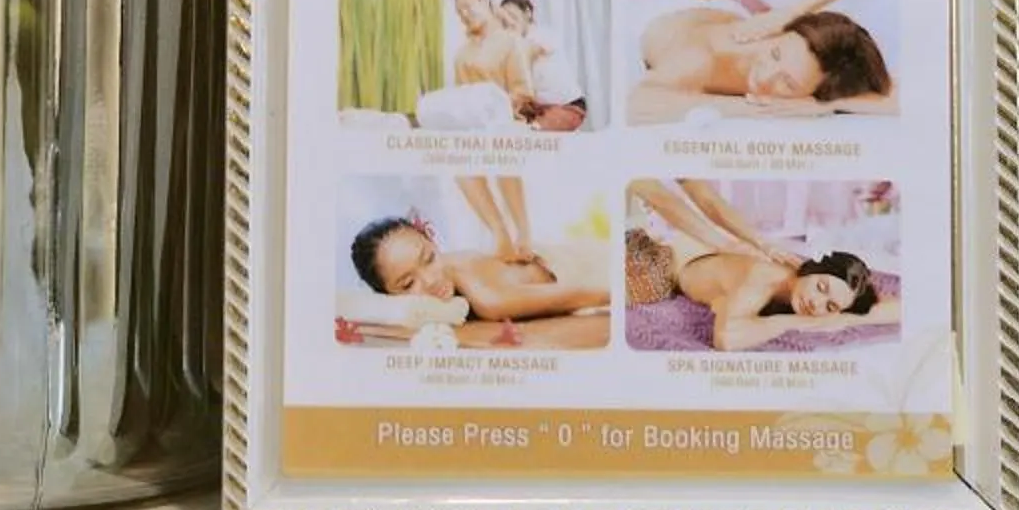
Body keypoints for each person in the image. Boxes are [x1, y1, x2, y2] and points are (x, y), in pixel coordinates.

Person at [626, 181, 897, 351]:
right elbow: (726, 340)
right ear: (810, 269)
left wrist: (844, 317)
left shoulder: (808, 288)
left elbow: (897, 308)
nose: (816, 303)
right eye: (821, 287)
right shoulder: (763, 277)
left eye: (830, 306)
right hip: (660, 261)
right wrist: (795, 322)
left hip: (693, 249)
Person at [633, 0, 894, 119]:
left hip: (729, 8)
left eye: (788, 84)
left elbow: (896, 100)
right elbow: (637, 102)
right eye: (775, 54)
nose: (766, 76)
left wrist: (827, 105)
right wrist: (762, 108)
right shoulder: (703, 59)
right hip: (656, 17)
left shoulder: (800, 61)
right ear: (779, 33)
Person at [351, 186, 609, 322]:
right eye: (408, 283)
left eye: (429, 259)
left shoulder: (488, 300)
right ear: (386, 294)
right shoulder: (447, 285)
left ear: (433, 241)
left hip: (578, 265)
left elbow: (588, 293)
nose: (430, 280)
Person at [495, 0, 588, 131]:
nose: (509, 23)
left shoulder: (543, 36)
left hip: (569, 108)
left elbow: (530, 51)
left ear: (527, 13)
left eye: (512, 16)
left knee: (532, 131)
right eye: (504, 21)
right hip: (540, 109)